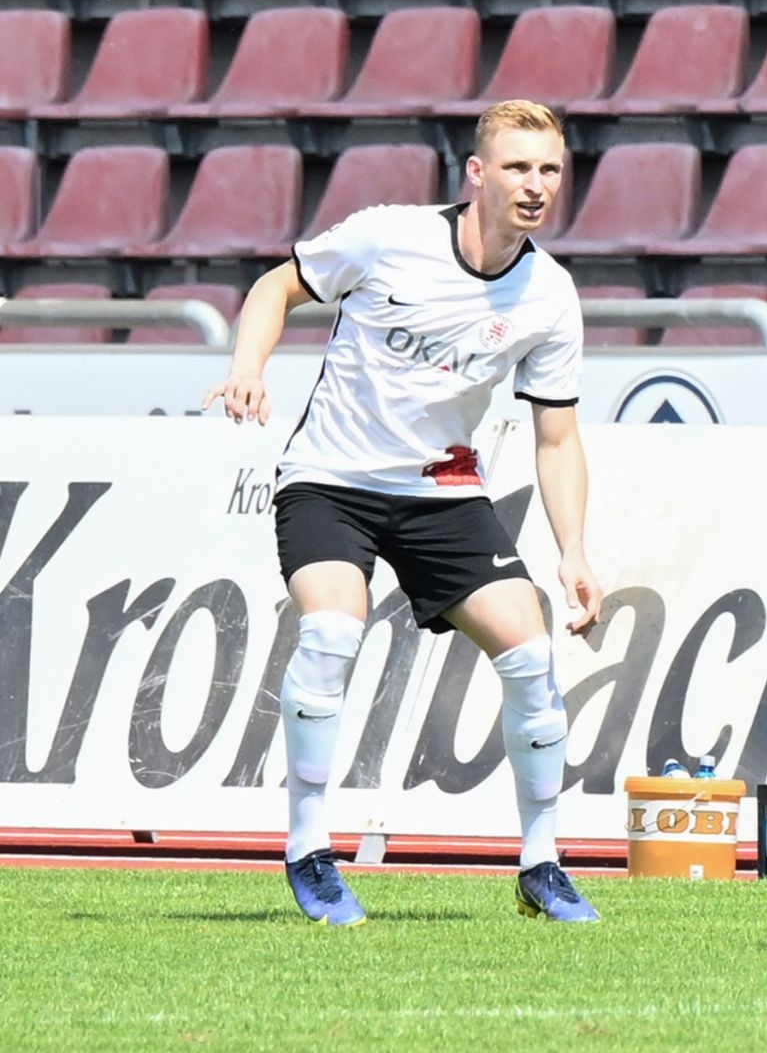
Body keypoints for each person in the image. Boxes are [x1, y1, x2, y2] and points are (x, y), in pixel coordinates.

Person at [206, 100, 605, 926]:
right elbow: (277, 285)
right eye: (519, 167)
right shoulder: (388, 235)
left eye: (550, 169)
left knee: (531, 656)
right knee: (331, 632)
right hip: (330, 480)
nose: (535, 185)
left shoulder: (550, 294)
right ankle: (310, 852)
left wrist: (573, 551)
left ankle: (542, 866)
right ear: (477, 173)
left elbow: (558, 438)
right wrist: (248, 366)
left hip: (442, 493)